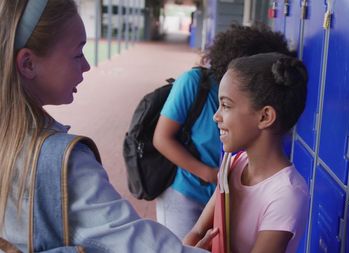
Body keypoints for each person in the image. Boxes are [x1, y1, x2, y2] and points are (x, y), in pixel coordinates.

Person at [0, 0, 210, 252]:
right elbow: (138, 245)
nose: (87, 65)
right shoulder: (63, 161)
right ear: (28, 64)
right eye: (77, 54)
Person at [152, 24, 292, 239]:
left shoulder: (285, 192)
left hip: (226, 194)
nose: (218, 115)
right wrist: (207, 173)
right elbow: (162, 138)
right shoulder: (194, 83)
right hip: (186, 192)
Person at [183, 52, 310, 253]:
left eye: (225, 105)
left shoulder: (286, 194)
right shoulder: (236, 163)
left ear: (265, 116)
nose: (216, 116)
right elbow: (197, 232)